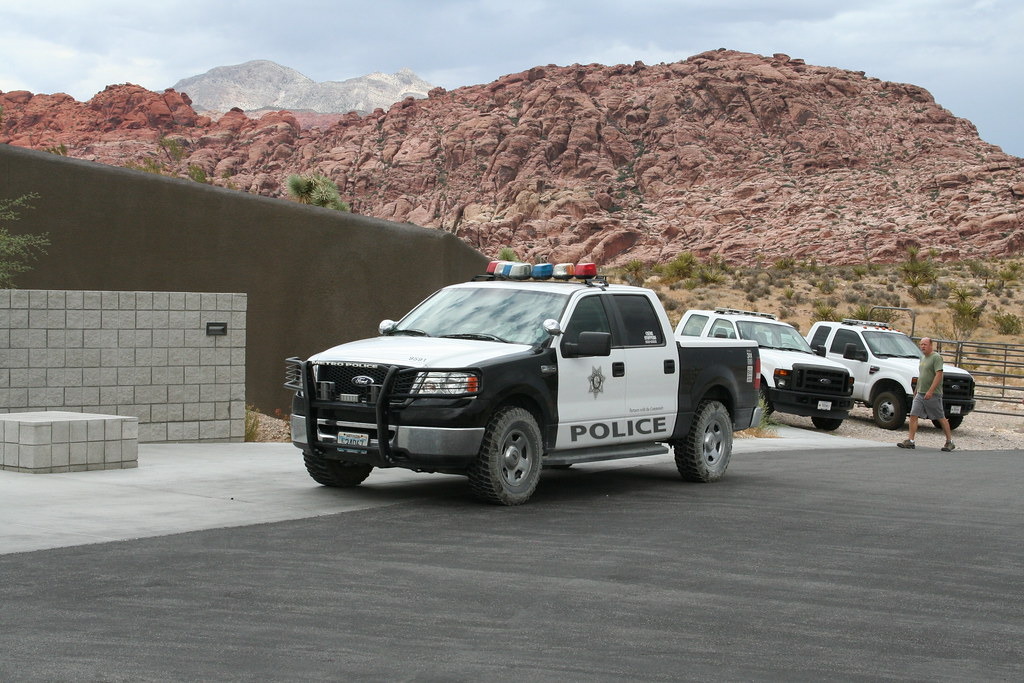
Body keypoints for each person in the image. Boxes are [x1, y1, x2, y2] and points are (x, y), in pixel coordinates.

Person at [897, 337, 955, 451]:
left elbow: (939, 375)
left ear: (931, 345)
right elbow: (921, 374)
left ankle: (949, 441)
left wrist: (931, 391)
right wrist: (916, 390)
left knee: (940, 417)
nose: (923, 346)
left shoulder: (936, 358)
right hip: (920, 393)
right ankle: (911, 440)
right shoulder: (922, 358)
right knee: (913, 414)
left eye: (925, 344)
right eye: (921, 344)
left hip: (933, 394)